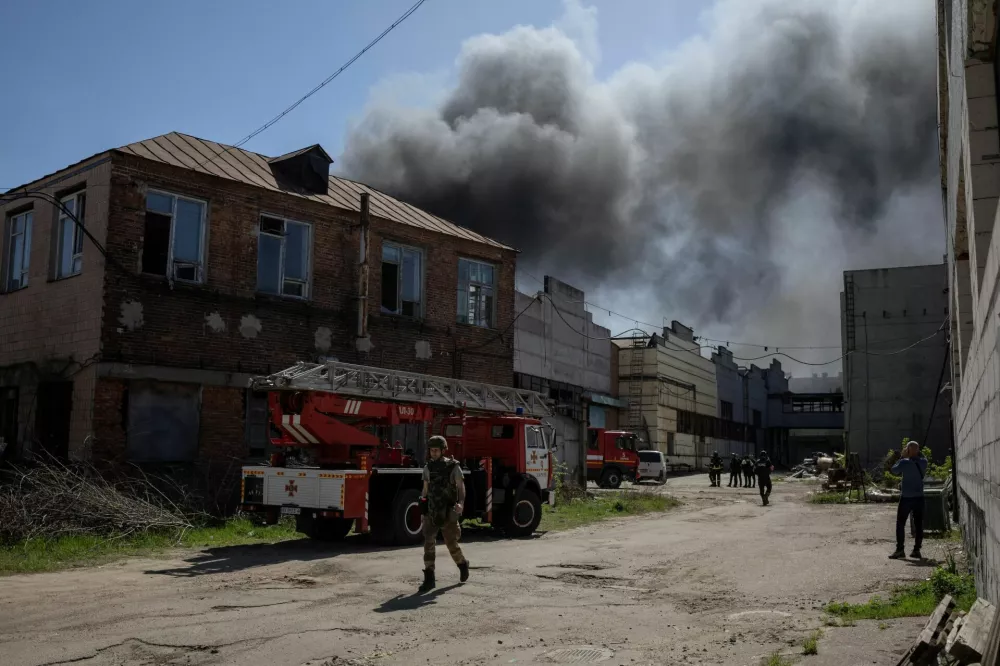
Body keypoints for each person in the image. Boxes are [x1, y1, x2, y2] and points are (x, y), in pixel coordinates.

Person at [418, 436, 470, 592]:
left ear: (442, 450)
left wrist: (460, 503)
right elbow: (425, 490)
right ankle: (429, 578)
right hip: (432, 510)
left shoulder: (453, 467)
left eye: (436, 450)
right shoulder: (428, 468)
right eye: (431, 450)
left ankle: (462, 564)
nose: (433, 453)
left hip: (448, 510)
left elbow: (461, 488)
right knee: (429, 542)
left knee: (451, 544)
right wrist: (423, 509)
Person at [889, 441, 928, 560]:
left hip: (906, 497)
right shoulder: (923, 462)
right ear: (918, 450)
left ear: (908, 450)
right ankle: (917, 550)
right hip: (919, 497)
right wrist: (916, 452)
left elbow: (894, 470)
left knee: (900, 523)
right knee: (918, 524)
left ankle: (900, 549)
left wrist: (903, 456)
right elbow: (922, 457)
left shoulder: (903, 463)